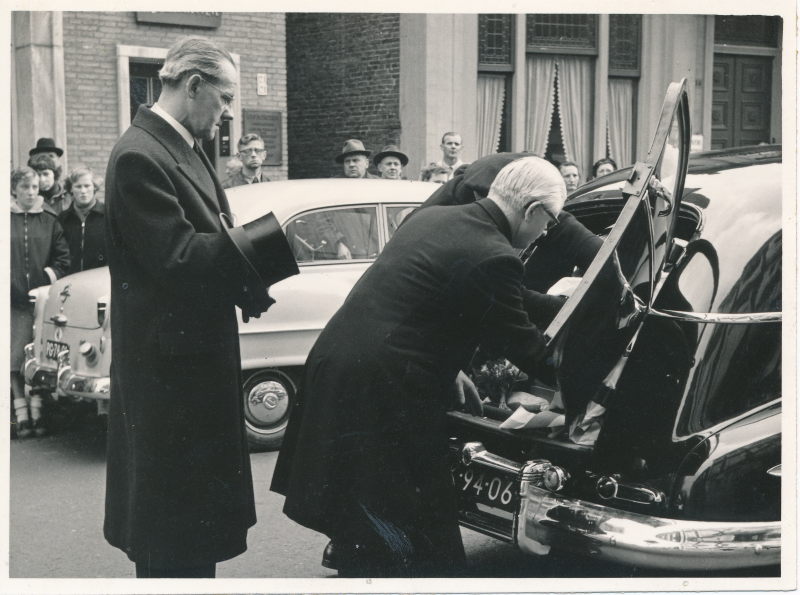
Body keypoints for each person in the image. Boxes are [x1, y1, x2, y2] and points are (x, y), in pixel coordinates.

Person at [271, 156, 568, 578]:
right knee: (419, 550)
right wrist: (599, 375)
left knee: (373, 533)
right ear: (533, 211)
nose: (545, 232)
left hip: (339, 369)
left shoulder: (437, 219)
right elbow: (528, 350)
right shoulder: (495, 254)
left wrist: (565, 305)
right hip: (382, 394)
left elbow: (468, 295)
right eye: (550, 222)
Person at [103, 35, 274, 579]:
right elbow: (175, 257)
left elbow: (209, 235)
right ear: (194, 85)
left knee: (190, 531)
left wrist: (248, 278)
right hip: (170, 379)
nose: (226, 115)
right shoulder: (139, 154)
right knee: (173, 536)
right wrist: (266, 246)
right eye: (224, 99)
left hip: (187, 365)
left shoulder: (178, 147)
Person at [10, 167, 70, 439]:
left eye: (34, 187)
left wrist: (43, 281)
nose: (31, 192)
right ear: (15, 190)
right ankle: (20, 414)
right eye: (25, 188)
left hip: (39, 302)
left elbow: (62, 259)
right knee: (13, 359)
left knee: (39, 357)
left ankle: (37, 411)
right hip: (12, 302)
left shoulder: (50, 220)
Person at [58, 166, 107, 275]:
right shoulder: (63, 219)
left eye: (87, 186)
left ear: (94, 187)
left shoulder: (107, 216)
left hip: (100, 281)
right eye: (78, 186)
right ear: (71, 189)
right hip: (70, 281)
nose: (83, 191)